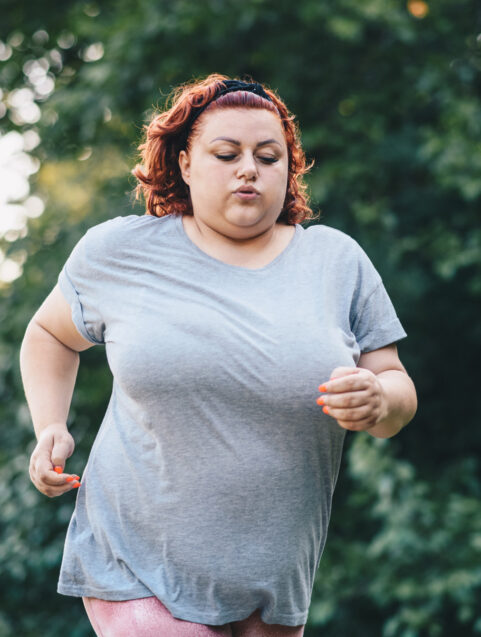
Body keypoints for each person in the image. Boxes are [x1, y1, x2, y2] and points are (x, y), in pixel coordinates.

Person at [19, 73, 417, 637]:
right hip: (134, 564)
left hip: (274, 583)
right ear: (184, 163)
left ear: (289, 167)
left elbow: (397, 387)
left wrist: (379, 400)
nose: (249, 169)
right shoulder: (120, 252)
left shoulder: (337, 262)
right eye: (226, 153)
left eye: (269, 156)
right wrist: (49, 425)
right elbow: (50, 334)